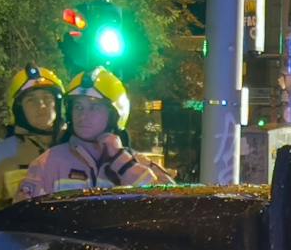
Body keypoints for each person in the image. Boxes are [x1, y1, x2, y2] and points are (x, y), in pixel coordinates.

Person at [16, 68, 173, 200]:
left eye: (94, 107)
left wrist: (121, 162)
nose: (83, 116)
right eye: (78, 107)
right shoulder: (47, 163)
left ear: (114, 115)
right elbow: (22, 219)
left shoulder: (136, 162)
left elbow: (171, 204)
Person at [0, 66, 66, 215]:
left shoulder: (78, 148)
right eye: (31, 100)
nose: (41, 105)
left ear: (58, 104)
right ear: (18, 110)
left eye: (47, 97)